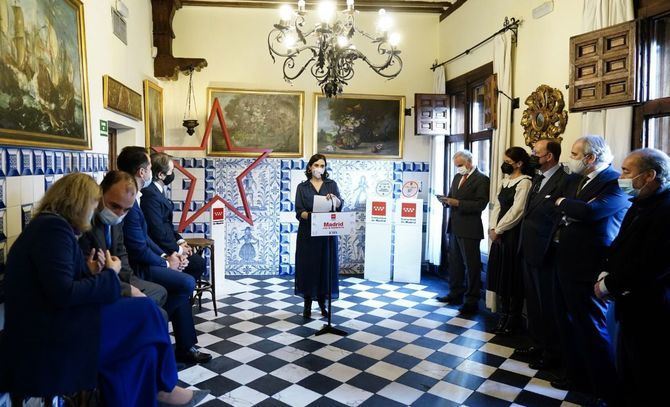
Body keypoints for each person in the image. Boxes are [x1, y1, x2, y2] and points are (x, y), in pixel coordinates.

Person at [0, 173, 207, 406]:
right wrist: (109, 273)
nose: (94, 210)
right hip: (51, 330)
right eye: (93, 204)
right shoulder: (53, 229)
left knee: (141, 342)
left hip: (60, 320)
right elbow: (63, 293)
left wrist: (93, 271)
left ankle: (156, 390)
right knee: (146, 313)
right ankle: (163, 388)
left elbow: (62, 282)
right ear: (78, 201)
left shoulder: (54, 227)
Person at [551, 135, 630, 404]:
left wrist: (563, 204)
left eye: (574, 153)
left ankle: (604, 390)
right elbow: (565, 204)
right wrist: (566, 205)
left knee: (592, 329)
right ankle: (577, 377)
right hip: (566, 261)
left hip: (589, 265)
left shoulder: (614, 182)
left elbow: (589, 212)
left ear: (590, 158)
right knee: (567, 324)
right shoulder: (577, 179)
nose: (570, 158)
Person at [117, 146, 211, 365]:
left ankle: (184, 344)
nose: (152, 170)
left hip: (150, 257)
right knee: (185, 283)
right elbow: (141, 244)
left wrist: (170, 255)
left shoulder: (139, 194)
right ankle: (154, 327)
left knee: (184, 283)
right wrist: (168, 260)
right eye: (150, 166)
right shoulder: (131, 196)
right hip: (136, 267)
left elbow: (145, 236)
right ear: (142, 172)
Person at [595, 148, 670, 406]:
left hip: (652, 307)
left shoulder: (666, 209)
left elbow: (652, 263)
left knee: (647, 373)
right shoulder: (640, 202)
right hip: (629, 303)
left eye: (627, 171)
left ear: (649, 175)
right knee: (627, 364)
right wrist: (606, 270)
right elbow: (620, 244)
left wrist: (609, 284)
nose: (621, 177)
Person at [79, 170, 168, 312]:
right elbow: (86, 274)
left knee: (160, 293)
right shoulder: (85, 222)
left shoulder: (118, 219)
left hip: (121, 279)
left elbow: (121, 253)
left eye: (126, 210)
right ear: (100, 194)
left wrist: (131, 284)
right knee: (157, 313)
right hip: (99, 288)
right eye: (114, 206)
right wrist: (128, 290)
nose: (119, 213)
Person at [515, 139, 567, 370]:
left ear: (550, 157)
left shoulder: (564, 180)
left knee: (548, 305)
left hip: (546, 251)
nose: (532, 156)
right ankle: (536, 343)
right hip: (528, 248)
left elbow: (558, 216)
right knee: (533, 302)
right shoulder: (537, 178)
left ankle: (551, 351)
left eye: (536, 153)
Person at [436, 150, 490, 314]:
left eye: (460, 165)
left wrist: (458, 203)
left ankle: (471, 300)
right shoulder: (457, 177)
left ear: (469, 162)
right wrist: (445, 201)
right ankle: (455, 293)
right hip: (454, 226)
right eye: (456, 166)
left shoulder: (482, 179)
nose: (458, 168)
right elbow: (452, 198)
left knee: (471, 266)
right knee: (456, 263)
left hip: (470, 228)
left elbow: (480, 204)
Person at [486, 147, 532, 335]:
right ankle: (503, 316)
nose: (505, 164)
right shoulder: (505, 181)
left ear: (519, 163)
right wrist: (491, 227)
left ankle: (512, 320)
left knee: (511, 277)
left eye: (508, 161)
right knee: (500, 277)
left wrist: (500, 229)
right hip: (499, 234)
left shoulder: (525, 182)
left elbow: (517, 211)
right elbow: (497, 206)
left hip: (513, 235)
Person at [141, 152, 205, 281]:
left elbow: (167, 224)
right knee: (198, 264)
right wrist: (179, 250)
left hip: (169, 243)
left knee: (197, 261)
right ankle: (180, 294)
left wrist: (181, 241)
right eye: (171, 171)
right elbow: (156, 230)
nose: (173, 174)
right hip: (161, 248)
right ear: (160, 175)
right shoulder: (150, 194)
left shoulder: (157, 190)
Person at [294, 154, 343, 318]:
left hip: (326, 234)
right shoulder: (302, 187)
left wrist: (335, 200)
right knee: (308, 267)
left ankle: (323, 303)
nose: (319, 168)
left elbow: (340, 205)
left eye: (322, 166)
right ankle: (307, 304)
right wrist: (312, 215)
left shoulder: (331, 185)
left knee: (325, 267)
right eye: (316, 165)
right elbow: (299, 211)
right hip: (307, 234)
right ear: (310, 167)